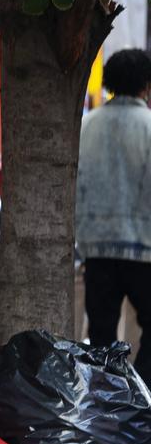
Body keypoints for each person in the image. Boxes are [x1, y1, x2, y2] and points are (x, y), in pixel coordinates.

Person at [77, 48, 151, 385]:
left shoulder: (86, 125)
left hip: (97, 250)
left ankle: (109, 401)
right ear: (146, 85)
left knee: (102, 338)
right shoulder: (149, 126)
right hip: (144, 250)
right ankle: (143, 395)